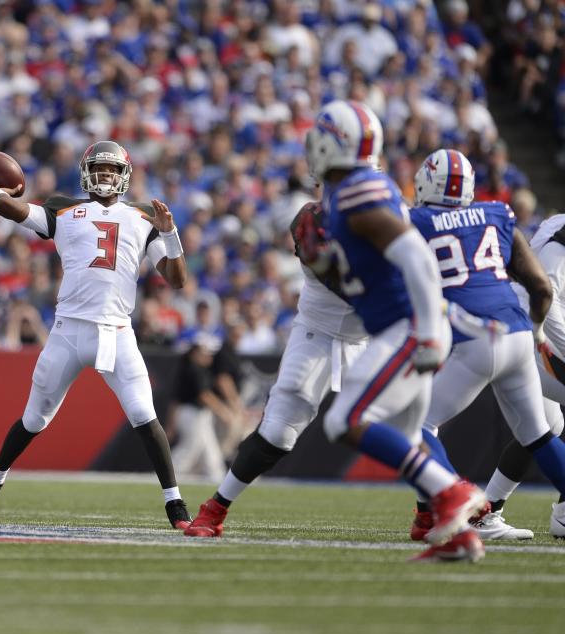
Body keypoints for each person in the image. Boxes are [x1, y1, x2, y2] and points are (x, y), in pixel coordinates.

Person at [189, 101, 486, 561]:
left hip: (385, 331)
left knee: (376, 426)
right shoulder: (334, 204)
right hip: (325, 329)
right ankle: (455, 528)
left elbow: (409, 262)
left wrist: (431, 324)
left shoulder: (357, 199)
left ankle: (451, 496)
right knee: (283, 428)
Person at [0, 140, 192, 529]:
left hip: (118, 332)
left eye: (112, 170)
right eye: (99, 169)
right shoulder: (63, 207)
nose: (105, 176)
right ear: (87, 172)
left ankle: (176, 505)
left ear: (124, 176)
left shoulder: (144, 216)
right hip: (68, 330)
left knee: (143, 414)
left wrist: (170, 235)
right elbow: (10, 209)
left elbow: (177, 280)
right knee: (35, 419)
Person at [182, 199, 368, 537]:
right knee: (279, 429)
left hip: (372, 334)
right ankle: (216, 507)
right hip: (319, 330)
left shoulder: (393, 213)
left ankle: (438, 507)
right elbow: (338, 275)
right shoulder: (316, 218)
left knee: (417, 419)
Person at [407, 148, 565, 543]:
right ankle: (480, 512)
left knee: (415, 422)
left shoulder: (418, 222)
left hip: (474, 336)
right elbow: (541, 287)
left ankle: (463, 504)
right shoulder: (497, 214)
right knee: (540, 435)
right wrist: (539, 331)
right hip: (517, 332)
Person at [169, 332, 230, 482]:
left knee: (210, 449)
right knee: (189, 449)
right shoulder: (193, 369)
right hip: (192, 414)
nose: (209, 356)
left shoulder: (196, 369)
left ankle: (217, 478)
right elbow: (204, 396)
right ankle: (168, 477)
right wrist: (223, 412)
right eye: (206, 352)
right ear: (195, 352)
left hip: (200, 415)